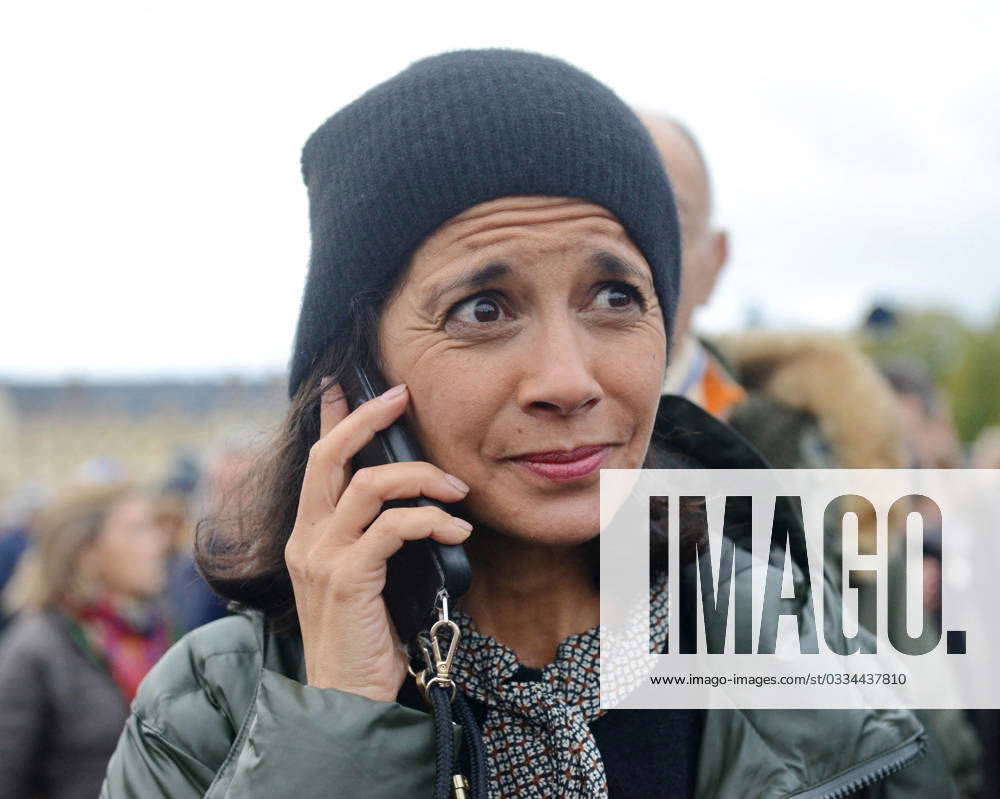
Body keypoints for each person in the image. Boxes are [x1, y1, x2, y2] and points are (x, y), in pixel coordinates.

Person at [101, 50, 955, 798]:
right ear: (354, 376)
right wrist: (337, 730)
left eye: (616, 296)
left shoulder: (810, 643)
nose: (567, 379)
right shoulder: (208, 714)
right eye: (483, 308)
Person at [0, 483, 172, 799]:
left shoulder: (155, 634)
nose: (159, 543)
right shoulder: (35, 649)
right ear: (87, 552)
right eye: (136, 530)